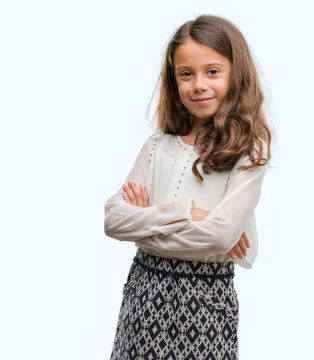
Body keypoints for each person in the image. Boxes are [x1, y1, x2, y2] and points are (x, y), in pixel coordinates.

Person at [103, 14, 272, 359]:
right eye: (186, 74)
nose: (198, 84)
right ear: (174, 81)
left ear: (235, 74)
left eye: (212, 71)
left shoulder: (249, 151)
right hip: (144, 296)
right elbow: (113, 220)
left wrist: (144, 223)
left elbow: (220, 237)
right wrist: (189, 213)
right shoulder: (156, 148)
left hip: (206, 301)